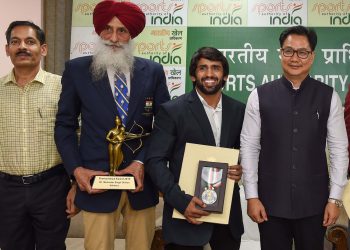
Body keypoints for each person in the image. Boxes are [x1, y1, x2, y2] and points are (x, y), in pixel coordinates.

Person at [54, 1, 170, 250]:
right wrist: (76, 171)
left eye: (122, 31)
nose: (114, 38)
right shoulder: (76, 70)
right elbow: (64, 126)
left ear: (132, 35)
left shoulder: (153, 71)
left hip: (141, 183)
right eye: (108, 29)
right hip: (95, 183)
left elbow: (164, 126)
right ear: (98, 31)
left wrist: (140, 162)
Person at [240, 25, 349, 250]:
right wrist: (252, 196)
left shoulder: (329, 96)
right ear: (280, 53)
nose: (295, 58)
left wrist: (334, 199)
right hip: (269, 203)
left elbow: (339, 150)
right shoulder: (258, 96)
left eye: (303, 52)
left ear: (312, 56)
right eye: (289, 51)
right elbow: (249, 148)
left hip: (315, 204)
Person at [146, 47, 245, 250]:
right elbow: (154, 161)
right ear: (193, 75)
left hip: (227, 219)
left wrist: (240, 167)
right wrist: (181, 201)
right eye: (203, 68)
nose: (209, 74)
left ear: (225, 75)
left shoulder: (239, 110)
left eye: (216, 68)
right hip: (184, 216)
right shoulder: (172, 110)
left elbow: (243, 152)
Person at [0, 21, 74, 250]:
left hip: (51, 187)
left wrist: (76, 185)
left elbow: (77, 136)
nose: (22, 47)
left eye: (30, 41)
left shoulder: (63, 87)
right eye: (15, 42)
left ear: (43, 49)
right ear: (7, 50)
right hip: (6, 191)